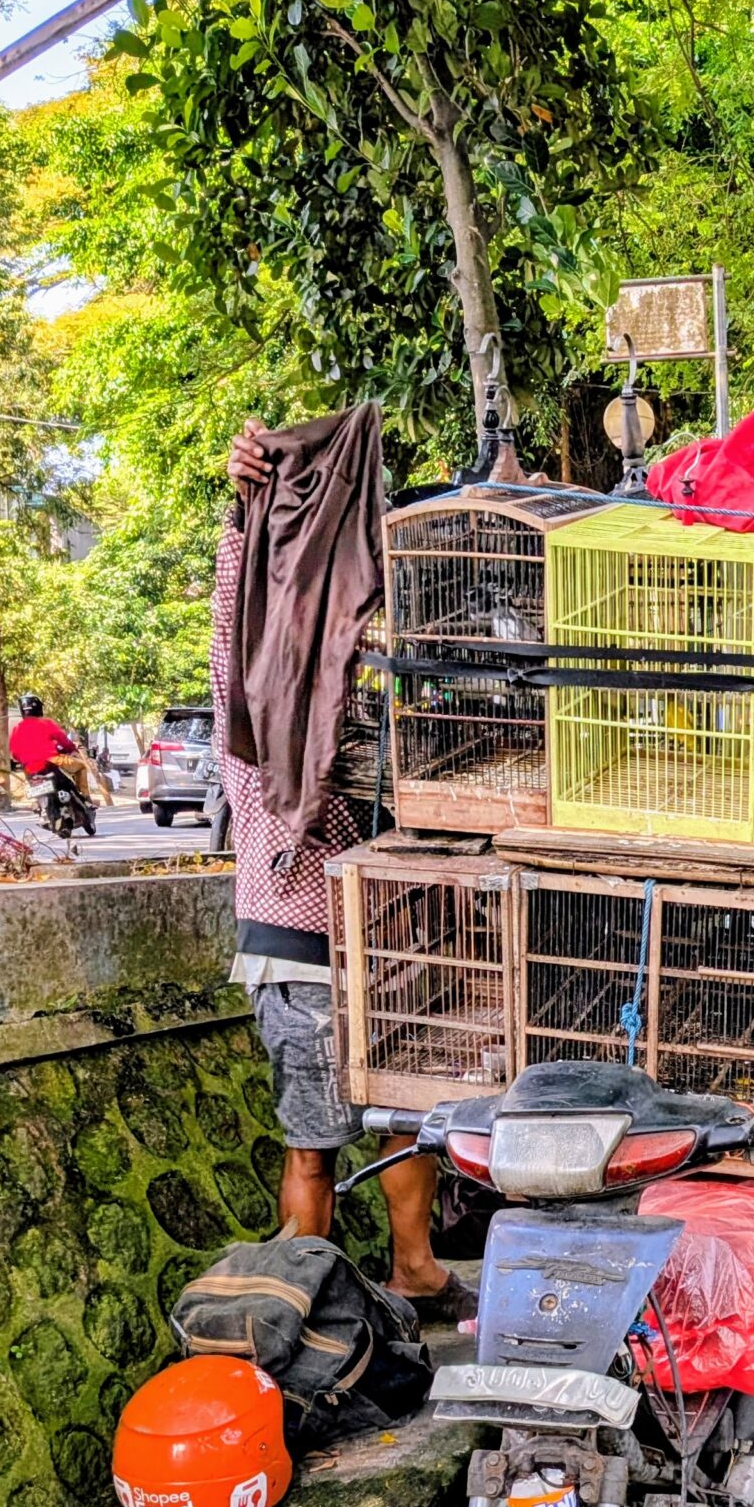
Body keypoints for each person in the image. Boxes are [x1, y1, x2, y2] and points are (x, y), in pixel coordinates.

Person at [219, 419, 468, 1318]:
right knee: (332, 1137)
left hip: (371, 947)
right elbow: (240, 598)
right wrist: (243, 513)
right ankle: (317, 1301)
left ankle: (404, 1273)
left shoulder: (343, 712)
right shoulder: (264, 708)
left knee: (390, 1120)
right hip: (310, 949)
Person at [8, 694, 113, 805]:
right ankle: (85, 798)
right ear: (38, 708)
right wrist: (72, 750)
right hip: (52, 760)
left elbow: (14, 752)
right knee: (81, 766)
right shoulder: (46, 723)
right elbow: (63, 740)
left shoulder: (17, 728)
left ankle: (40, 802)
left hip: (29, 767)